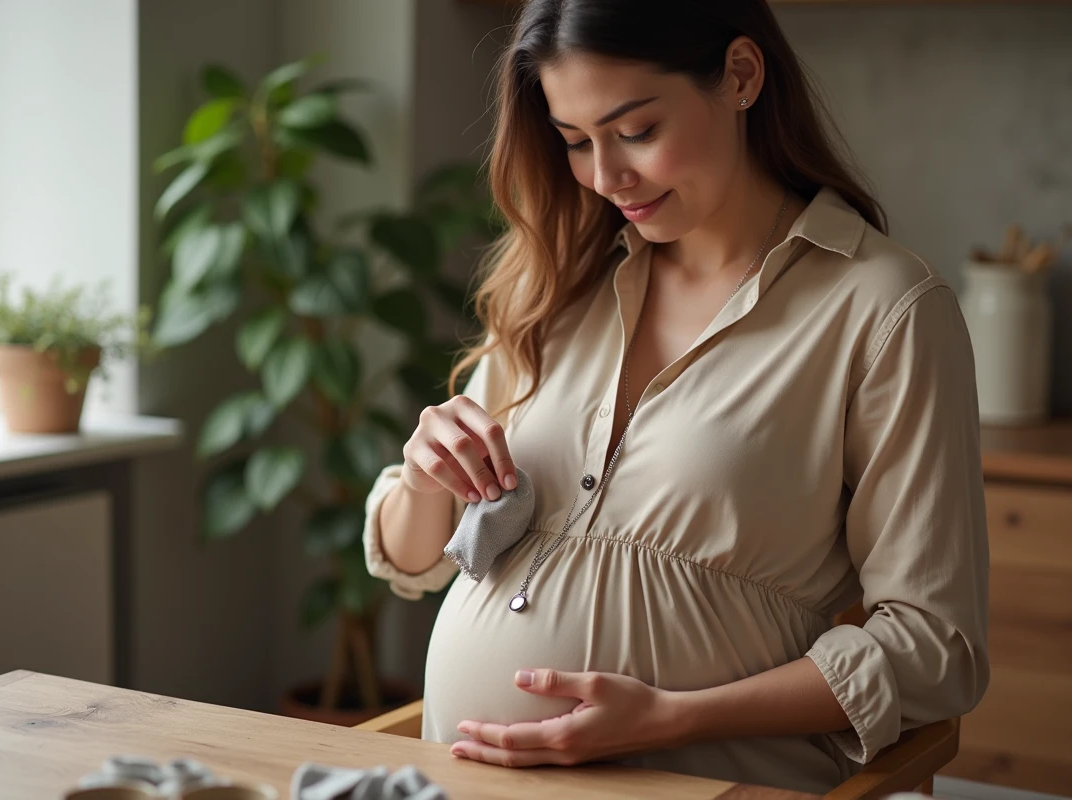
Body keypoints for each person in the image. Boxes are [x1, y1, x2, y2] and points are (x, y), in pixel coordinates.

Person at [363, 0, 989, 793]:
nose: (603, 175)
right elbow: (413, 560)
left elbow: (937, 648)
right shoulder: (557, 282)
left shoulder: (884, 309)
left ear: (740, 76)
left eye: (634, 132)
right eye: (575, 143)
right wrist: (423, 475)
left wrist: (671, 717)